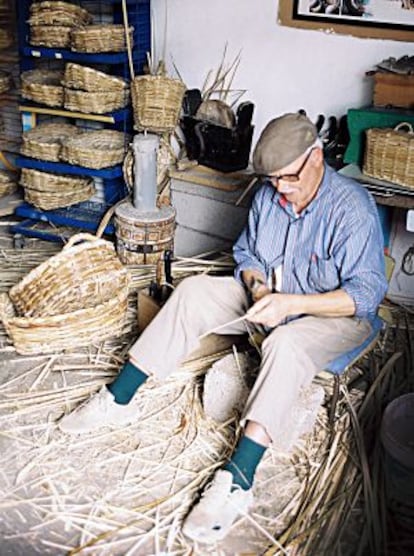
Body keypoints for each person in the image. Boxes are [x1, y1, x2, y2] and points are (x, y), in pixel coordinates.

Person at [58, 112, 388, 544]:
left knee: (287, 342)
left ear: (315, 158)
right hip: (271, 300)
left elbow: (364, 295)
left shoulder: (352, 207)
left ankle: (237, 480)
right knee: (194, 291)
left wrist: (290, 304)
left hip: (334, 317)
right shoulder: (270, 195)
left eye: (288, 178)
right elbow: (248, 255)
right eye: (273, 181)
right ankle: (119, 398)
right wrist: (257, 286)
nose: (281, 190)